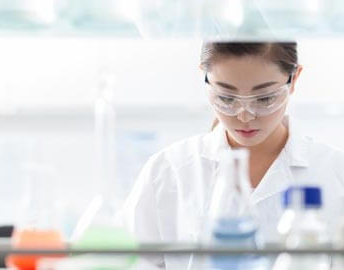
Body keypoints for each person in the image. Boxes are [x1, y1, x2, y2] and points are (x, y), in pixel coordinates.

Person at [120, 42, 344, 269]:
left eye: (264, 99)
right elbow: (128, 263)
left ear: (294, 79)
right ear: (205, 78)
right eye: (226, 98)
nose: (245, 116)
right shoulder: (167, 170)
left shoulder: (335, 171)